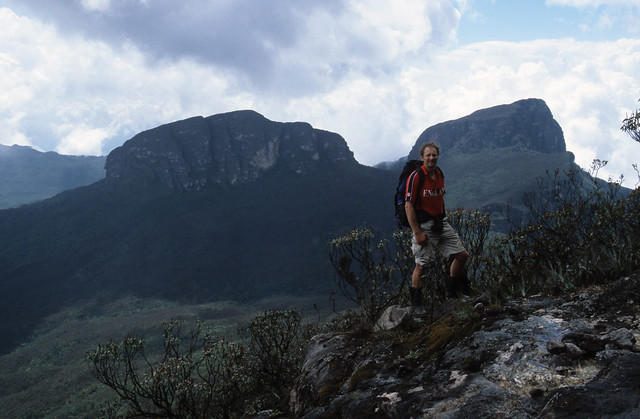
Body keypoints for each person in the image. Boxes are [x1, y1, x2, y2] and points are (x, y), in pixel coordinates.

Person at [404, 142, 470, 307]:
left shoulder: (439, 173)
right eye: (428, 155)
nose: (432, 158)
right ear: (422, 157)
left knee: (462, 255)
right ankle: (416, 307)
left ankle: (453, 293)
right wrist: (417, 232)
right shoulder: (416, 176)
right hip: (424, 226)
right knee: (421, 266)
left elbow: (439, 198)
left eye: (434, 155)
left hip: (440, 223)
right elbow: (408, 205)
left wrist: (442, 218)